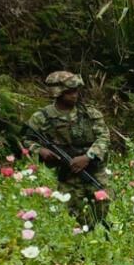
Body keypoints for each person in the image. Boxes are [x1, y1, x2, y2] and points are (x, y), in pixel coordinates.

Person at [25, 71, 111, 231]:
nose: (75, 95)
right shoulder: (41, 118)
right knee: (76, 216)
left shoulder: (89, 113)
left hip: (93, 171)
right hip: (67, 175)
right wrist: (41, 151)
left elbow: (104, 137)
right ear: (58, 93)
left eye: (76, 91)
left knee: (102, 206)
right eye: (70, 92)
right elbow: (28, 140)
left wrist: (88, 156)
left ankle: (102, 237)